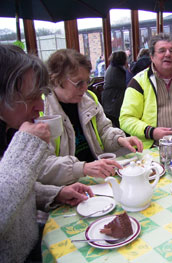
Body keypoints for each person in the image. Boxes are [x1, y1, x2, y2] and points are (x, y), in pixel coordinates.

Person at [0, 44, 93, 263]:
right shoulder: (21, 134)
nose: (40, 107)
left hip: (33, 245)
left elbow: (19, 190)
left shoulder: (9, 129)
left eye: (41, 95)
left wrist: (56, 193)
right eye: (32, 97)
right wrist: (26, 147)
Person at [39, 49, 143, 186]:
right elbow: (42, 166)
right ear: (56, 79)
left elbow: (104, 130)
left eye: (87, 81)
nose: (84, 88)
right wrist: (82, 168)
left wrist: (120, 139)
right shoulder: (41, 111)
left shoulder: (88, 99)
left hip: (96, 178)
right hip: (65, 186)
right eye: (78, 83)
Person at [102, 51, 128, 127]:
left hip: (110, 98)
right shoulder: (116, 71)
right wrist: (127, 69)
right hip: (113, 102)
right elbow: (125, 85)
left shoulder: (113, 67)